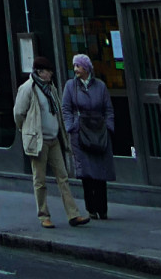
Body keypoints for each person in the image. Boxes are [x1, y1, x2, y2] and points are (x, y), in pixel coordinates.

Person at [13, 54, 88, 228]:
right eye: (48, 71)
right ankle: (43, 216)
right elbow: (18, 113)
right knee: (40, 180)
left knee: (63, 177)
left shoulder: (50, 88)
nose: (51, 74)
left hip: (53, 139)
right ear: (40, 72)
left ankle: (73, 214)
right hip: (38, 140)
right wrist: (27, 130)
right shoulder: (28, 88)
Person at [62, 53, 116, 220]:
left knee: (100, 170)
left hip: (99, 131)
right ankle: (91, 208)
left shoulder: (100, 86)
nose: (75, 69)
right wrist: (71, 126)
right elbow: (66, 108)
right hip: (80, 131)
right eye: (74, 66)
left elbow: (108, 109)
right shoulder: (71, 86)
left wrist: (108, 127)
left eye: (78, 66)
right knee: (86, 172)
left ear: (86, 68)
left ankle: (102, 208)